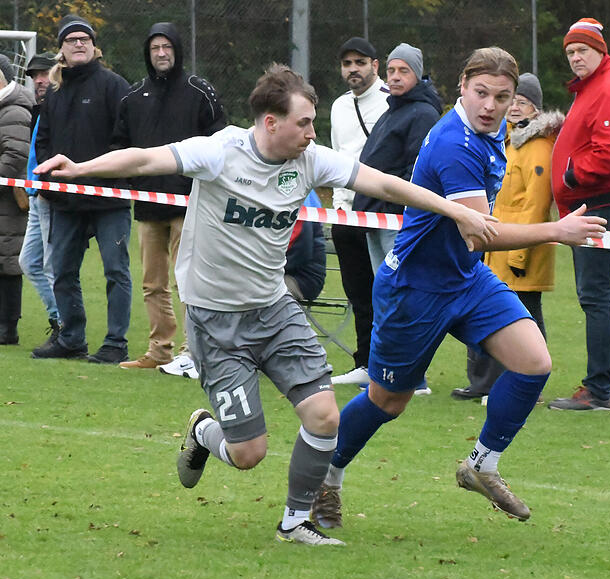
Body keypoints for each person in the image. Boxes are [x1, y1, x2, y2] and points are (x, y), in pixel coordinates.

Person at [35, 63, 499, 546]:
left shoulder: (311, 160)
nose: (312, 133)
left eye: (314, 122)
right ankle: (203, 433)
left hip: (274, 309)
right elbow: (144, 160)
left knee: (325, 416)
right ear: (270, 122)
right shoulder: (220, 151)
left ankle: (295, 523)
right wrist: (81, 167)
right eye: (303, 123)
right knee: (247, 453)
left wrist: (456, 209)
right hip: (216, 321)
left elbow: (384, 184)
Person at [310, 48, 607, 530]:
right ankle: (326, 475)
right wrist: (557, 230)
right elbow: (480, 232)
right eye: (481, 93)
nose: (490, 105)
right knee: (389, 401)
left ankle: (481, 465)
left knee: (534, 363)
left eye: (502, 96)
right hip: (415, 289)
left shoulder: (494, 134)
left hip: (464, 278)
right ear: (461, 88)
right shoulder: (456, 145)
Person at [113, 22, 226, 372]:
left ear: (177, 50)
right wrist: (134, 180)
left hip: (188, 205)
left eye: (167, 47)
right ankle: (159, 350)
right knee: (152, 283)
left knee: (188, 282)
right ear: (148, 54)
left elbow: (219, 142)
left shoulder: (199, 91)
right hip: (148, 207)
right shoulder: (133, 98)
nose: (161, 54)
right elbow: (120, 144)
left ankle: (193, 352)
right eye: (154, 49)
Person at [547, 18, 610, 411]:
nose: (575, 58)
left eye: (582, 50)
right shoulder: (596, 87)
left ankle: (599, 391)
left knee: (595, 297)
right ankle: (598, 386)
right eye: (570, 52)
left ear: (601, 51)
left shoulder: (609, 88)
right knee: (593, 297)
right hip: (591, 203)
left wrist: (570, 173)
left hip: (601, 204)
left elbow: (609, 151)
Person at [452, 73, 562, 401]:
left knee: (524, 317)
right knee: (488, 313)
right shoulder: (507, 141)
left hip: (522, 252)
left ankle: (528, 383)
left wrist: (518, 256)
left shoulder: (539, 148)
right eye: (512, 101)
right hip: (496, 247)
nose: (514, 108)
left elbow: (535, 205)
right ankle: (484, 382)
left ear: (535, 107)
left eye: (522, 102)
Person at [32, 14, 131, 363]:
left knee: (116, 271)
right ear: (61, 48)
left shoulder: (114, 85)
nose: (78, 43)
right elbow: (42, 141)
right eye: (71, 39)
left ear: (93, 46)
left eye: (84, 39)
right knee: (62, 271)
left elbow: (128, 140)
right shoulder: (55, 92)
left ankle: (116, 343)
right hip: (64, 201)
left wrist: (102, 174)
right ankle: (71, 339)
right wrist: (50, 179)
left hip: (109, 199)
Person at [352, 42, 442, 396]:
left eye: (403, 70)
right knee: (385, 295)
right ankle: (386, 371)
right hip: (374, 216)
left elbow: (415, 171)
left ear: (418, 73)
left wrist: (399, 212)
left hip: (395, 220)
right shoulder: (395, 109)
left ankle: (412, 378)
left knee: (401, 296)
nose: (395, 77)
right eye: (391, 70)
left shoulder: (422, 113)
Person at [329, 37, 389, 387]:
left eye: (360, 62)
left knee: (388, 292)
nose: (353, 69)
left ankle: (398, 367)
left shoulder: (388, 103)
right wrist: (339, 206)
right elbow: (337, 158)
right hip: (345, 214)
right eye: (347, 63)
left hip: (381, 214)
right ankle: (365, 361)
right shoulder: (338, 106)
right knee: (358, 293)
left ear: (374, 65)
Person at [16, 52, 58, 350]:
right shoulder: (38, 110)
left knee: (52, 266)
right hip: (36, 196)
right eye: (34, 76)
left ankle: (66, 328)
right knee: (28, 262)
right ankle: (59, 320)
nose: (39, 80)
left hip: (51, 196)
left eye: (43, 74)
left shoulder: (59, 108)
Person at [0, 54, 34, 345]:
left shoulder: (14, 110)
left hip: (7, 201)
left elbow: (13, 158)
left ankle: (7, 328)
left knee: (8, 261)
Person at [284, 190, 327, 303]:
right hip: (278, 274)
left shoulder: (297, 195)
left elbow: (300, 252)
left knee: (253, 291)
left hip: (301, 278)